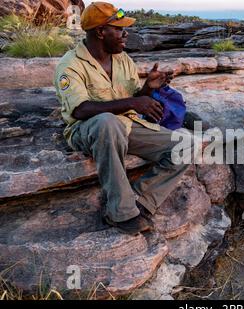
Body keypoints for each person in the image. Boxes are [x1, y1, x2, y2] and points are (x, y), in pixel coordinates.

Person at [54, 2, 189, 236]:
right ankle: (120, 212)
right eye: (119, 28)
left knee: (185, 145)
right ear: (100, 32)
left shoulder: (123, 59)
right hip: (88, 129)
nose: (125, 34)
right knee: (107, 122)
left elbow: (132, 97)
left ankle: (141, 200)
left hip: (125, 124)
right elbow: (80, 110)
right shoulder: (70, 65)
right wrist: (133, 103)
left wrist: (147, 89)